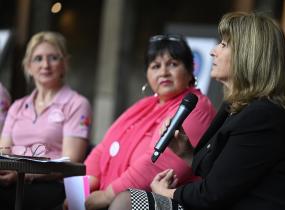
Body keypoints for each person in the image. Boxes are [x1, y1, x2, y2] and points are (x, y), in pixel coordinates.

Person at [109, 12, 285, 210]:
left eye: (224, 45)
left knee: (127, 203)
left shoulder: (263, 117)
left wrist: (167, 193)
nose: (213, 51)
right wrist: (185, 152)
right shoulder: (237, 108)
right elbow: (222, 174)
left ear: (247, 55)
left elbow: (213, 194)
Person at [80, 34, 216, 210]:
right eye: (155, 66)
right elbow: (104, 147)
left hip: (175, 200)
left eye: (173, 64)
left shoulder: (195, 107)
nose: (163, 72)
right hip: (113, 195)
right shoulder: (144, 106)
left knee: (124, 203)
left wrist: (106, 196)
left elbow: (159, 162)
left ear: (191, 71)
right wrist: (86, 186)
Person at [0, 31, 92, 209]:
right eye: (38, 59)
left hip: (54, 186)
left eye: (53, 58)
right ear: (28, 66)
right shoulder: (18, 106)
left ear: (65, 64)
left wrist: (22, 174)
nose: (45, 65)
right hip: (13, 182)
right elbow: (3, 151)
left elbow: (71, 161)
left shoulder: (77, 104)